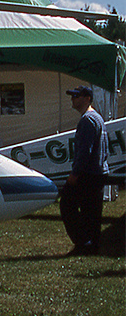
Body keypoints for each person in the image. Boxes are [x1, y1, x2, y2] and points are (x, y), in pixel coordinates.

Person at [60, 85, 109, 255]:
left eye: (77, 96)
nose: (73, 99)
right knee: (92, 213)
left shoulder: (87, 120)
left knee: (67, 205)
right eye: (72, 96)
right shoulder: (97, 118)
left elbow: (84, 151)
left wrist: (75, 174)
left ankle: (83, 242)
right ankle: (91, 245)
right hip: (98, 172)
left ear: (87, 98)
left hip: (88, 174)